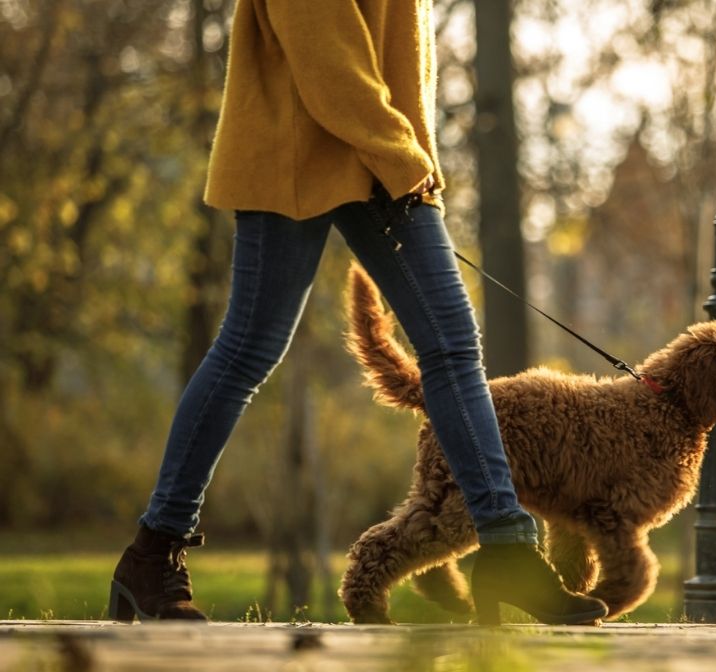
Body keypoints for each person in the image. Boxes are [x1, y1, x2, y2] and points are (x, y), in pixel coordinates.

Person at [109, 0, 606, 625]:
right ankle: (153, 556)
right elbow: (326, 53)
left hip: (376, 149)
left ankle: (507, 546)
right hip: (302, 143)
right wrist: (404, 156)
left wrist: (402, 150)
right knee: (247, 351)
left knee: (452, 346)